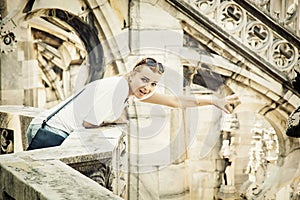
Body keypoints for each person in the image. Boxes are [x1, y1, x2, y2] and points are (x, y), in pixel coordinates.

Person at [26, 57, 239, 150]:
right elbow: (90, 123)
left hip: (47, 127)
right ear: (131, 74)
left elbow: (175, 101)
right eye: (144, 80)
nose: (148, 87)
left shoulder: (130, 90)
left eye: (154, 83)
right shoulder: (119, 87)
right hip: (50, 131)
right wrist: (113, 121)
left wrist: (214, 100)